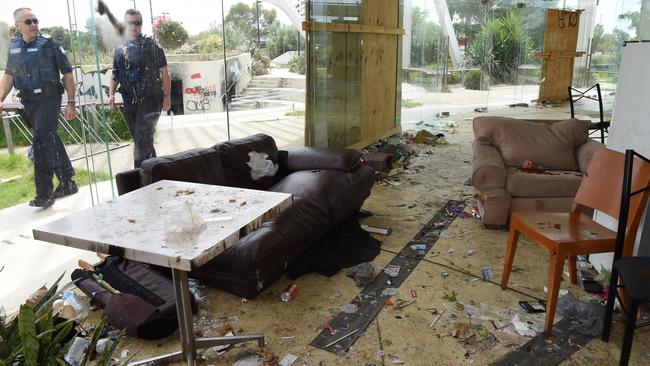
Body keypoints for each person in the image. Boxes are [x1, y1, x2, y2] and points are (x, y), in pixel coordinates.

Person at [0, 7, 78, 208]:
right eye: (28, 22)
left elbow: (68, 74)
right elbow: (9, 75)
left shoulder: (49, 44)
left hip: (49, 99)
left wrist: (71, 102)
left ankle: (44, 193)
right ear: (18, 26)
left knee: (42, 142)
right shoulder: (15, 46)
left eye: (35, 20)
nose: (34, 24)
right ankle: (67, 181)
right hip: (28, 102)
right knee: (49, 138)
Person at [107, 9, 171, 168]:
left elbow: (165, 72)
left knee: (142, 137)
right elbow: (115, 73)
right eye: (130, 23)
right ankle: (156, 171)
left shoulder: (152, 44)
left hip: (151, 98)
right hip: (129, 99)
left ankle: (138, 177)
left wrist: (167, 97)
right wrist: (111, 95)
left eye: (137, 23)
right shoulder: (119, 47)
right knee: (142, 139)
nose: (134, 26)